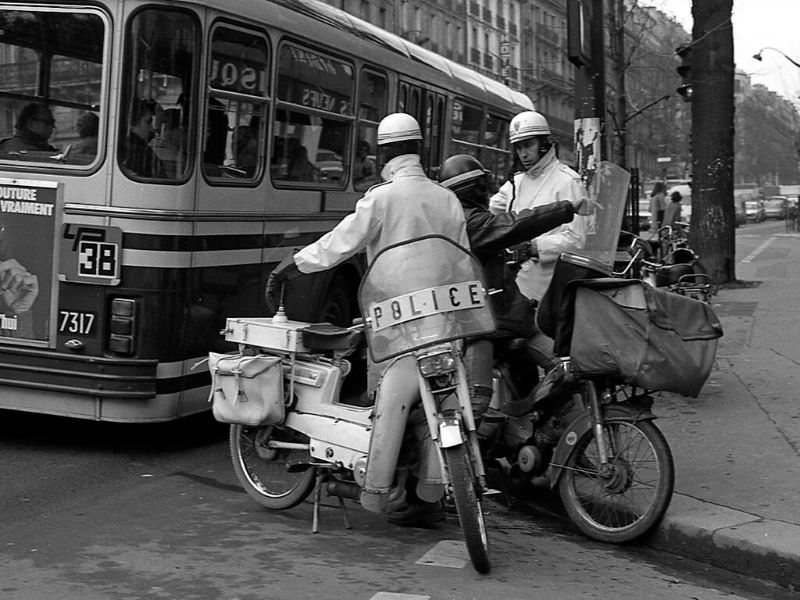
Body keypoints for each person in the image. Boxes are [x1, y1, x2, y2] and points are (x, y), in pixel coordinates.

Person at [267, 113, 469, 527]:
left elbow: (341, 243)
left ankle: (385, 487)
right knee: (440, 397)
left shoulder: (381, 198)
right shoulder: (447, 198)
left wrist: (295, 263)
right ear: (418, 148)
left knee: (385, 403)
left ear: (386, 152)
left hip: (393, 321)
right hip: (442, 321)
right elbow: (461, 260)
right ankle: (419, 493)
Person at [438, 154, 581, 435]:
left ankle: (560, 436)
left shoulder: (459, 219)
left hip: (506, 319)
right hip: (485, 326)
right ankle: (469, 462)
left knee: (567, 369)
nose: (488, 190)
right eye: (483, 185)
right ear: (475, 189)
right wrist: (566, 208)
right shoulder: (470, 222)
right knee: (475, 402)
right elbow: (515, 224)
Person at [488, 110, 589, 371]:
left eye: (528, 145)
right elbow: (490, 212)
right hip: (516, 283)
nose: (523, 153)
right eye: (518, 147)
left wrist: (534, 247)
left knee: (543, 348)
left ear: (544, 143)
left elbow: (577, 240)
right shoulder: (516, 183)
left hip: (550, 285)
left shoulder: (567, 180)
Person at [123, 98, 165, 178]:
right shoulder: (140, 153)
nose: (152, 129)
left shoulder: (125, 147)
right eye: (148, 122)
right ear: (132, 124)